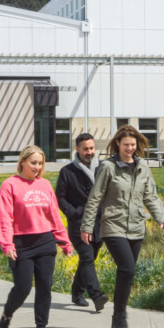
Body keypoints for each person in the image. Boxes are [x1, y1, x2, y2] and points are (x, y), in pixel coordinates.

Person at [79, 124, 164, 328]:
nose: (129, 148)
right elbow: (95, 198)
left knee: (127, 272)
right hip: (113, 226)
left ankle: (117, 318)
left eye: (133, 144)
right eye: (126, 144)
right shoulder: (108, 167)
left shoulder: (143, 167)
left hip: (137, 226)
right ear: (117, 143)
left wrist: (162, 217)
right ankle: (120, 318)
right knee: (127, 268)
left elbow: (151, 196)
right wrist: (86, 226)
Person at [0, 145, 74, 328]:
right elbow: (5, 217)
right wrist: (7, 244)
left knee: (45, 287)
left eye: (40, 163)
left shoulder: (45, 185)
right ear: (23, 162)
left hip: (45, 241)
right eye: (33, 163)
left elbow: (54, 215)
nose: (37, 167)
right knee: (22, 288)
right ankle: (7, 314)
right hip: (22, 243)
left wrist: (64, 241)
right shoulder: (10, 185)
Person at [54, 132, 108, 311]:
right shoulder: (67, 172)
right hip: (78, 224)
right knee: (86, 256)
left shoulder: (103, 167)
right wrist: (75, 212)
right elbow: (60, 198)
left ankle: (77, 292)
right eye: (85, 149)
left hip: (100, 223)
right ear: (77, 149)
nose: (90, 152)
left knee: (89, 258)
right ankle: (96, 295)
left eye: (92, 148)